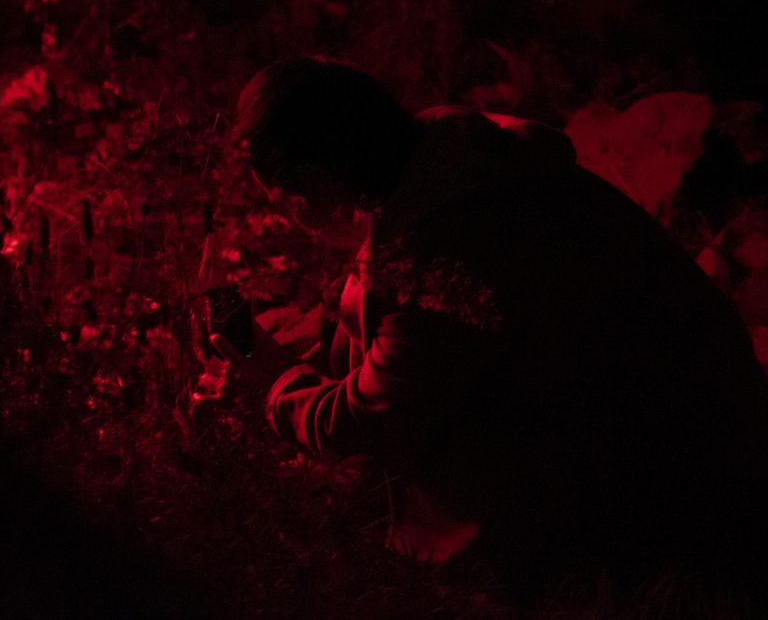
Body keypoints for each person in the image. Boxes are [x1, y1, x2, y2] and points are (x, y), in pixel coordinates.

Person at [219, 56, 768, 596]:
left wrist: (272, 382)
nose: (298, 218)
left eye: (288, 200)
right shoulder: (467, 166)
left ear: (316, 176)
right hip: (699, 433)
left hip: (665, 491)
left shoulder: (443, 247)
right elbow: (399, 344)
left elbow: (374, 426)